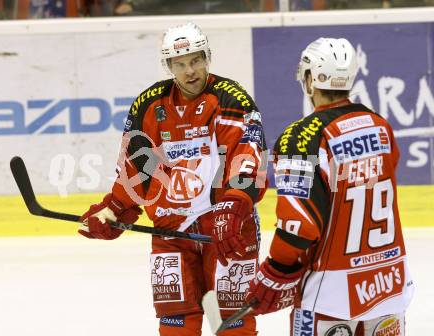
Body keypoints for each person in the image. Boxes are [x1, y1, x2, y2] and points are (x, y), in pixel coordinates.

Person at [78, 22, 267, 336]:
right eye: (179, 64)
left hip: (226, 229)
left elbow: (248, 158)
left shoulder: (231, 99)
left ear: (207, 57)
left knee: (233, 322)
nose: (189, 70)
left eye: (195, 60)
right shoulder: (150, 104)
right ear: (168, 66)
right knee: (175, 323)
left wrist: (234, 208)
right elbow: (137, 168)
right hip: (170, 232)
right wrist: (114, 208)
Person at [245, 37, 414, 335]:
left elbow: (299, 227)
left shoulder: (300, 138)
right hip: (388, 283)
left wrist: (276, 269)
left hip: (329, 294)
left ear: (309, 79)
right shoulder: (380, 125)